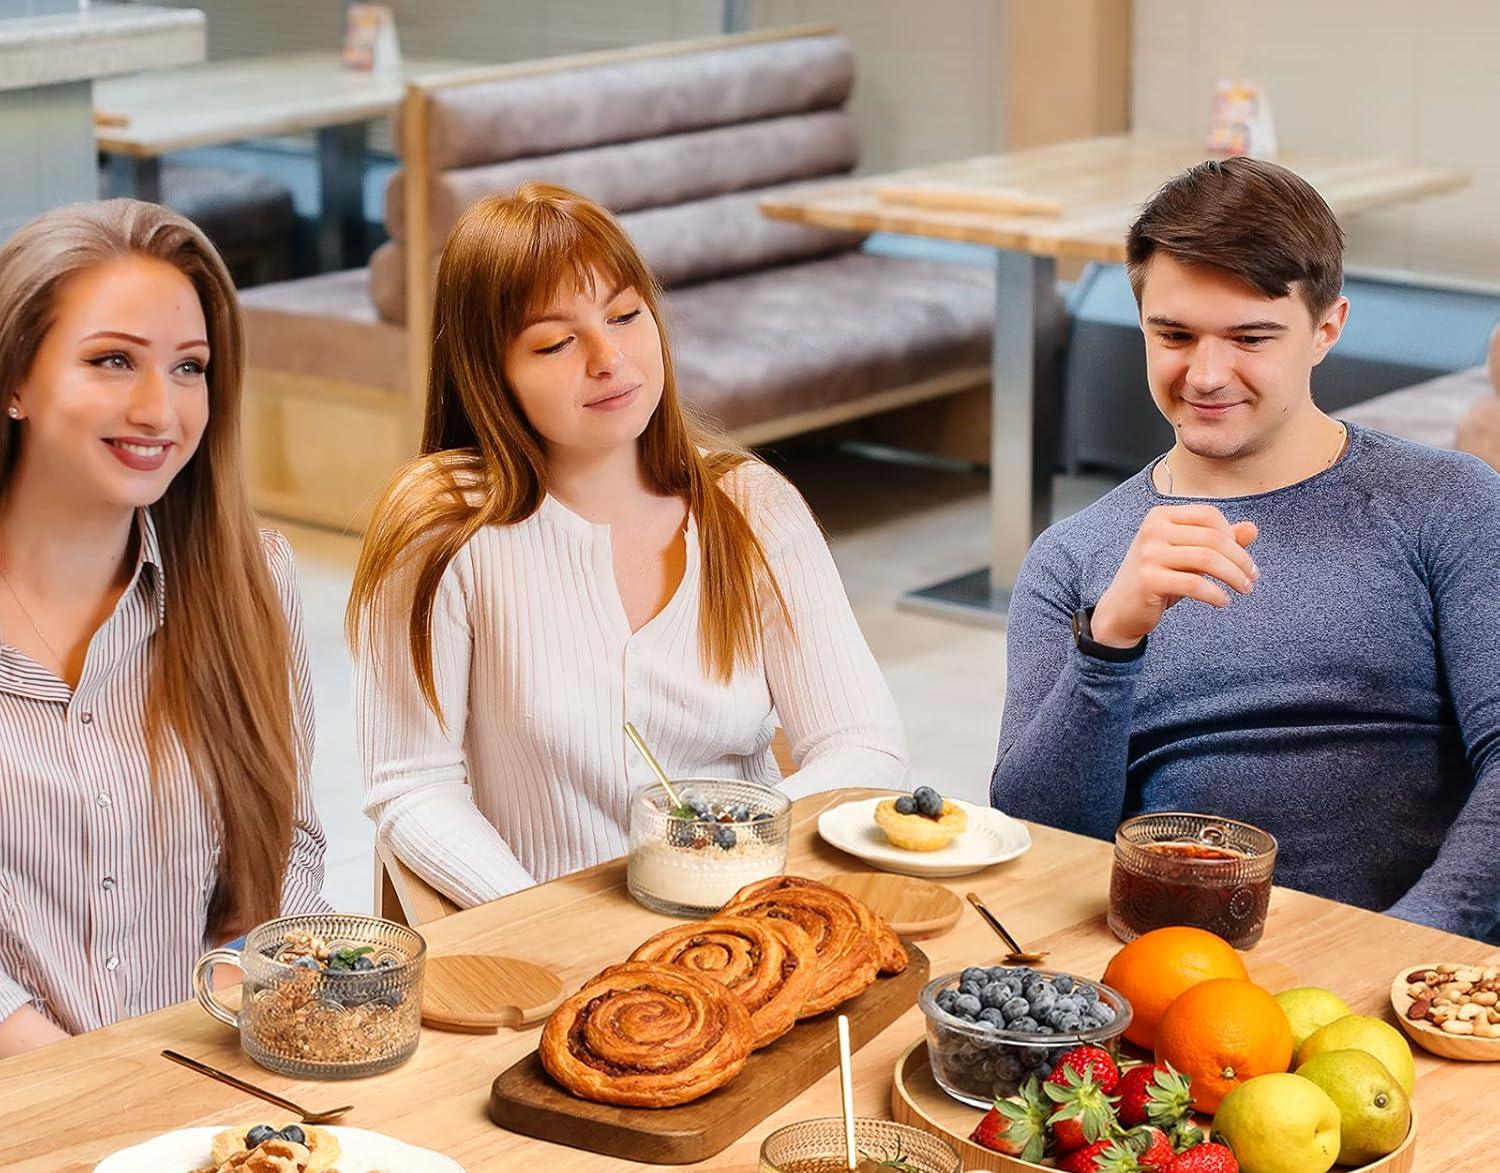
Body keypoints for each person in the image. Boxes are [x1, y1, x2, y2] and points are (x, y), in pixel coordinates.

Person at [348, 183, 907, 905]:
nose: (609, 356)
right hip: (543, 945)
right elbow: (411, 786)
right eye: (555, 341)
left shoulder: (749, 507)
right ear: (488, 374)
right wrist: (544, 923)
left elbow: (865, 747)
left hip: (745, 914)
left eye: (625, 314)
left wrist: (726, 852)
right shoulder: (442, 529)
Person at [991, 157, 1500, 941]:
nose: (1206, 373)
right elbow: (1041, 839)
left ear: (1326, 329)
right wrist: (1109, 642)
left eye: (1250, 337)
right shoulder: (1075, 557)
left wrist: (1401, 948)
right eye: (1174, 334)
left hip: (1410, 966)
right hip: (1171, 966)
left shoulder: (1448, 504)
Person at [0, 200, 327, 1056]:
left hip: (202, 1091)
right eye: (113, 360)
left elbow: (287, 846)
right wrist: (72, 1075)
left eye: (190, 368)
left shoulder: (252, 582)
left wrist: (217, 1006)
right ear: (15, 382)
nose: (160, 409)